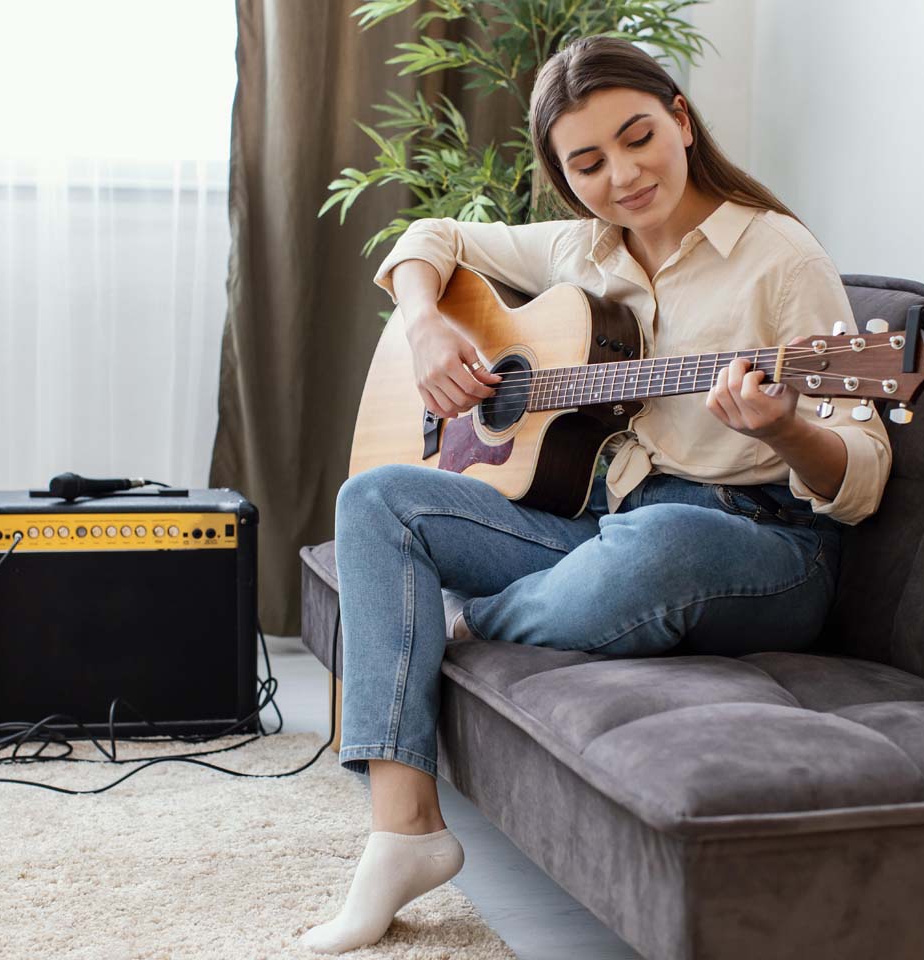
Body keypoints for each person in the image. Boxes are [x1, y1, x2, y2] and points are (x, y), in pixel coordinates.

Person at [298, 34, 891, 955]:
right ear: (564, 176)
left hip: (763, 546)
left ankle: (454, 618)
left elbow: (860, 470)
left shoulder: (780, 257)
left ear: (682, 122)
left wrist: (782, 427)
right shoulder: (583, 251)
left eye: (638, 136)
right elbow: (431, 237)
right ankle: (403, 831)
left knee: (659, 548)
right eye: (588, 161)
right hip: (608, 525)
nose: (623, 174)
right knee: (374, 502)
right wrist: (422, 324)